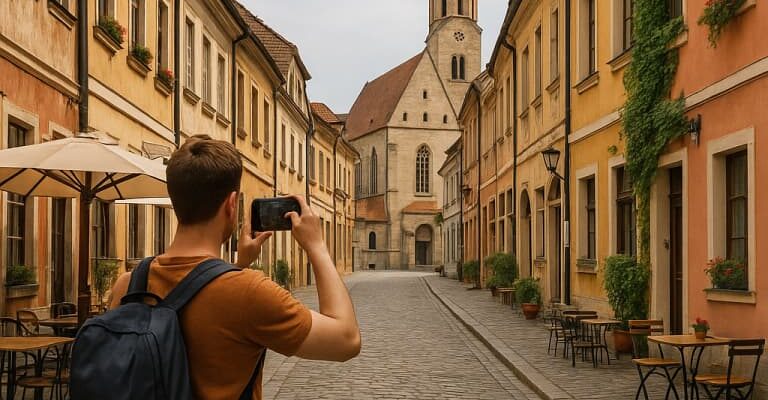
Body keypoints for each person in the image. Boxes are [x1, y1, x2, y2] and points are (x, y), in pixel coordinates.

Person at [109, 135, 361, 399]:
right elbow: (346, 340)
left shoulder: (127, 284)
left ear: (175, 200)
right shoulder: (249, 292)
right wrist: (317, 246)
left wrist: (236, 265)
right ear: (231, 204)